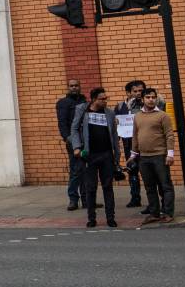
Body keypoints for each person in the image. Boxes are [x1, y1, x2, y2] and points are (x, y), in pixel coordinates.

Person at [69, 86, 119, 228]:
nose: (105, 101)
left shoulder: (109, 113)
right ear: (93, 99)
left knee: (108, 187)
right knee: (90, 188)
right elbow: (74, 128)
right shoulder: (83, 110)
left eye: (106, 99)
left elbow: (114, 134)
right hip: (89, 155)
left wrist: (117, 153)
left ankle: (111, 217)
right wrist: (77, 147)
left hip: (106, 154)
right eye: (101, 99)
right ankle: (91, 218)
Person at [128, 88, 177, 222]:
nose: (151, 100)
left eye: (153, 97)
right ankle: (154, 213)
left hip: (160, 156)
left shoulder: (163, 115)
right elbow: (135, 136)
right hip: (143, 157)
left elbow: (169, 135)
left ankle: (168, 213)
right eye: (148, 97)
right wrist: (133, 154)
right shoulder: (137, 116)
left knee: (165, 185)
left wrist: (170, 154)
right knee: (149, 187)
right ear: (142, 99)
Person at [114, 80, 148, 208]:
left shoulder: (147, 105)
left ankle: (153, 200)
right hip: (129, 145)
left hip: (145, 145)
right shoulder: (120, 107)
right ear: (128, 93)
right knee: (132, 171)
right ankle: (135, 198)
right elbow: (116, 127)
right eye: (135, 91)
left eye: (141, 91)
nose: (138, 94)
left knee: (147, 173)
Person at [56, 81, 87, 212]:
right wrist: (68, 138)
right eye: (71, 86)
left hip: (86, 140)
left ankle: (87, 200)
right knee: (75, 171)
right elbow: (62, 123)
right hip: (73, 141)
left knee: (86, 171)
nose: (74, 88)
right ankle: (73, 200)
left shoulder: (85, 101)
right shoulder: (63, 103)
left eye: (76, 85)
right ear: (68, 88)